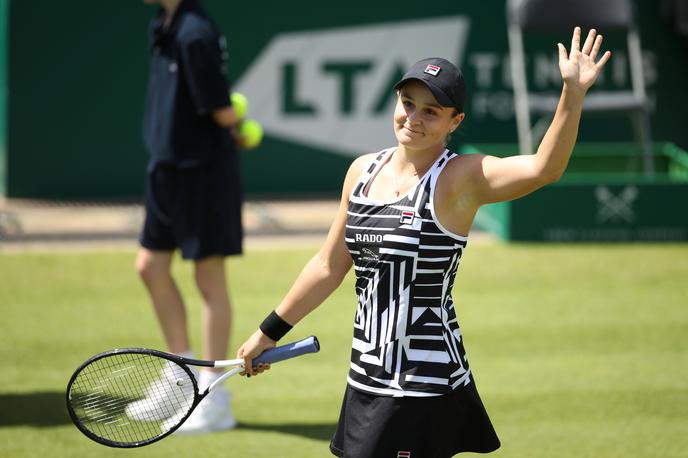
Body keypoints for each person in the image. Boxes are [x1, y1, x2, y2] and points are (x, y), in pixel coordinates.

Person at [237, 27, 611, 457]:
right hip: (366, 376)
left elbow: (545, 168)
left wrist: (573, 93)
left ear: (455, 122)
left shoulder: (461, 179)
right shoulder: (362, 172)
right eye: (407, 104)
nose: (413, 118)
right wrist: (268, 332)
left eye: (431, 111)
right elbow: (327, 266)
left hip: (422, 383)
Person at [130, 0, 243, 434]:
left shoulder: (195, 31)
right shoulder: (164, 22)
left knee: (208, 277)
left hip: (202, 173)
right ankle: (181, 374)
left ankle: (214, 396)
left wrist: (233, 125)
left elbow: (221, 110)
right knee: (150, 265)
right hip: (166, 168)